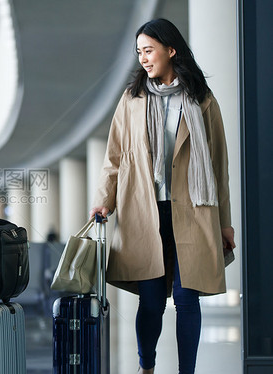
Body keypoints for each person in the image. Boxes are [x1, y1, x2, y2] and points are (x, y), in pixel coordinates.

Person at [89, 19, 235, 374]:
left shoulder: (202, 99)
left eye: (149, 50)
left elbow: (218, 166)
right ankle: (147, 367)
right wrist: (104, 199)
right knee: (151, 301)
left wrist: (225, 223)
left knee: (187, 299)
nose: (143, 58)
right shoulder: (132, 99)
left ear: (171, 50)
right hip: (144, 211)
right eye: (139, 52)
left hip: (195, 211)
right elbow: (115, 156)